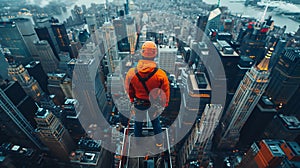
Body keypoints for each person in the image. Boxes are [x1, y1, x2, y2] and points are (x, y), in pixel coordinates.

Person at [125, 41, 170, 148]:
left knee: (138, 123)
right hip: (153, 104)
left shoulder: (131, 72)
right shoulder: (160, 75)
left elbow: (129, 89)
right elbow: (165, 92)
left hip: (139, 102)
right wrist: (165, 104)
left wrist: (132, 99)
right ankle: (159, 142)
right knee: (155, 123)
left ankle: (138, 142)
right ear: (155, 55)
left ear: (142, 53)